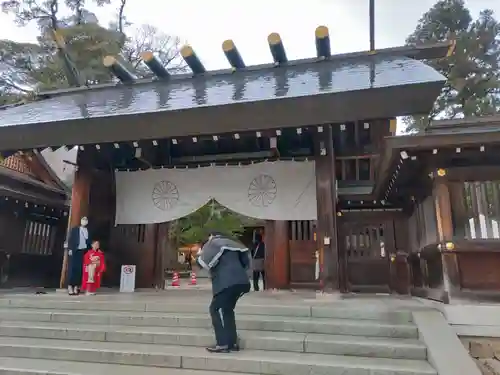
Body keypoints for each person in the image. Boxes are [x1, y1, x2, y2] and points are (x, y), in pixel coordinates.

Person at [196, 231, 251, 353]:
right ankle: (232, 342)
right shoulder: (234, 244)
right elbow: (246, 263)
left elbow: (202, 262)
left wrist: (199, 254)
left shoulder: (213, 243)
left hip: (227, 282)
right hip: (242, 281)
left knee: (215, 309)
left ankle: (222, 343)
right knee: (227, 309)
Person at [66, 216, 91, 295]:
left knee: (79, 269)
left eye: (86, 220)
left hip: (82, 251)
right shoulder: (75, 229)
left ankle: (76, 286)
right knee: (72, 268)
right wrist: (70, 249)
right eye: (83, 219)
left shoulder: (88, 231)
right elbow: (70, 239)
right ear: (80, 221)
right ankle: (70, 286)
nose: (84, 221)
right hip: (74, 250)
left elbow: (88, 242)